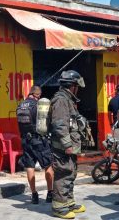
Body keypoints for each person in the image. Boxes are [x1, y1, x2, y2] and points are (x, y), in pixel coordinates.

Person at [49, 70, 86, 219]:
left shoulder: (68, 99)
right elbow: (59, 125)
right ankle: (59, 207)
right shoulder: (60, 100)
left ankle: (68, 202)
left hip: (69, 146)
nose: (78, 89)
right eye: (77, 86)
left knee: (70, 173)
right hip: (62, 147)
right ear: (72, 86)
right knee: (62, 174)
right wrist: (67, 145)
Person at [17, 85, 54, 204]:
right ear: (37, 95)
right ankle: (50, 193)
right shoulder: (38, 105)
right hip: (38, 140)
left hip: (25, 140)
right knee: (48, 165)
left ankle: (34, 195)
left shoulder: (20, 105)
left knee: (29, 167)